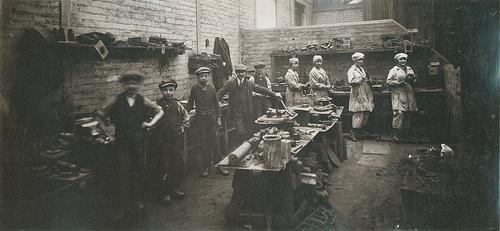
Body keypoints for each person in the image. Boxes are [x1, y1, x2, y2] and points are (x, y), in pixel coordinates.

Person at [95, 72, 164, 222]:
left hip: (139, 142)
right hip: (122, 143)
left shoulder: (143, 100)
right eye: (128, 83)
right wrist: (108, 134)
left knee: (139, 169)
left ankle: (137, 201)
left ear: (138, 85)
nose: (131, 86)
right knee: (123, 172)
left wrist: (150, 123)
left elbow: (159, 110)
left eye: (134, 83)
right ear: (123, 85)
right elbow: (99, 116)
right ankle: (123, 206)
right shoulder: (116, 100)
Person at [148, 78, 189, 206]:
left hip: (174, 139)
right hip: (160, 141)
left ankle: (174, 189)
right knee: (163, 165)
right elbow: (149, 119)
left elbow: (186, 117)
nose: (168, 93)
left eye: (171, 90)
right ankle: (164, 193)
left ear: (174, 90)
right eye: (165, 90)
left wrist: (182, 127)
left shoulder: (177, 105)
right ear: (161, 91)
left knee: (175, 163)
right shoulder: (156, 105)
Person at [217, 64, 282, 143]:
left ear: (245, 73)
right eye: (238, 72)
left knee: (250, 131)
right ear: (236, 73)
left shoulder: (249, 83)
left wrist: (274, 94)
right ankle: (244, 146)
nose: (240, 74)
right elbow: (219, 93)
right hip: (237, 112)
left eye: (242, 72)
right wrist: (215, 102)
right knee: (240, 131)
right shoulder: (230, 83)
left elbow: (261, 89)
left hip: (248, 111)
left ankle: (247, 148)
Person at [186, 67, 229, 178]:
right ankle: (206, 167)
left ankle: (219, 166)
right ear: (198, 78)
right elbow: (190, 104)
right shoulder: (195, 89)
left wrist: (219, 118)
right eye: (201, 76)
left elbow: (216, 104)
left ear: (208, 77)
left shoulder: (212, 88)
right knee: (204, 143)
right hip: (201, 119)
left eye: (205, 76)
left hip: (212, 118)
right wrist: (184, 115)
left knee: (215, 142)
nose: (204, 78)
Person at [386, 53, 418, 142]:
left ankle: (405, 133)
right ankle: (396, 133)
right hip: (398, 92)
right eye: (401, 59)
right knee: (399, 113)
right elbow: (388, 82)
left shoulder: (409, 69)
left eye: (404, 59)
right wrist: (399, 83)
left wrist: (413, 79)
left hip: (408, 91)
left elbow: (414, 81)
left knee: (409, 112)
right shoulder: (394, 70)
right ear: (397, 61)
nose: (403, 61)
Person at [347, 52, 374, 142]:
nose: (360, 61)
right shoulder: (351, 70)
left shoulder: (361, 69)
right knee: (358, 113)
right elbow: (351, 81)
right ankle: (353, 132)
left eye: (361, 60)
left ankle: (361, 129)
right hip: (357, 92)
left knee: (366, 111)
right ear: (355, 60)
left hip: (365, 91)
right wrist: (360, 79)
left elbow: (364, 79)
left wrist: (368, 80)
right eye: (358, 60)